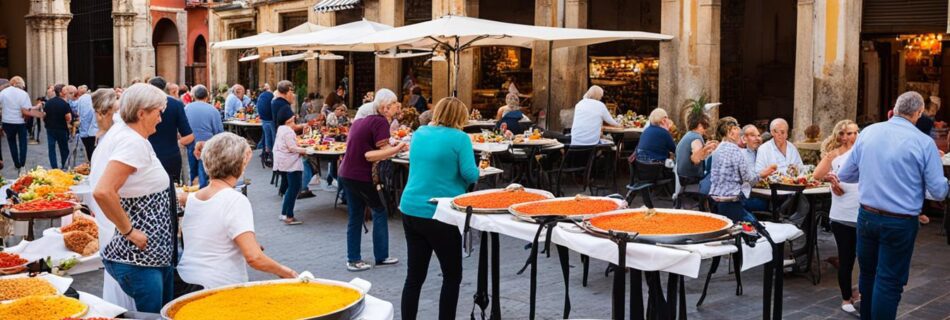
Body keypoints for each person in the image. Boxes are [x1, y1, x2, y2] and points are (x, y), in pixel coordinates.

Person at [834, 91, 949, 319]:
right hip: (899, 221)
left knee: (867, 275)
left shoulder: (868, 133)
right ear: (918, 113)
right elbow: (938, 191)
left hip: (866, 216)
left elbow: (846, 174)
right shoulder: (924, 143)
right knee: (888, 281)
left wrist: (875, 174)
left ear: (895, 108)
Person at [90, 83, 175, 313]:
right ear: (141, 113)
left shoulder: (135, 138)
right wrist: (130, 231)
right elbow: (103, 191)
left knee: (161, 312)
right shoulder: (132, 142)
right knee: (151, 316)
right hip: (139, 257)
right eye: (159, 111)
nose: (161, 118)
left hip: (152, 254)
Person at [177, 133, 298, 289]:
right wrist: (286, 272)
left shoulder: (194, 198)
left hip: (189, 280)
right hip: (219, 285)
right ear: (240, 164)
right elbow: (254, 257)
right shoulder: (235, 200)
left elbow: (212, 236)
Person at [399, 97, 477, 320]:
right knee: (452, 276)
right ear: (460, 117)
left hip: (410, 207)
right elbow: (470, 174)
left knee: (414, 277)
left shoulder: (420, 133)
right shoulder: (460, 138)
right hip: (439, 212)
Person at [339, 88, 406, 271]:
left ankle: (353, 259)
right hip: (361, 175)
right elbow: (370, 155)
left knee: (355, 215)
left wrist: (390, 147)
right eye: (394, 104)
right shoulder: (380, 122)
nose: (396, 108)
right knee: (379, 210)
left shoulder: (363, 120)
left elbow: (375, 146)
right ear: (385, 107)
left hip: (346, 173)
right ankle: (381, 256)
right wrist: (398, 148)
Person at [811, 120, 861, 314]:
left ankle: (860, 292)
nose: (852, 137)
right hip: (842, 215)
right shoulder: (834, 155)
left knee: (865, 258)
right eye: (847, 133)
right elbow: (816, 174)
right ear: (840, 135)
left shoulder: (863, 152)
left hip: (863, 212)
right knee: (846, 259)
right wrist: (830, 178)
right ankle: (846, 298)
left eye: (855, 132)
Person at [709, 120, 778, 224]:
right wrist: (764, 173)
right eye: (737, 128)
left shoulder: (717, 150)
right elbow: (748, 179)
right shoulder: (735, 150)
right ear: (730, 132)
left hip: (715, 200)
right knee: (755, 228)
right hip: (731, 202)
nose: (740, 132)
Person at [147, 77, 195, 184]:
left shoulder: (143, 105)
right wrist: (176, 143)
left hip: (148, 155)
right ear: (165, 88)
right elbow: (188, 135)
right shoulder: (176, 104)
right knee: (172, 193)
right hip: (170, 155)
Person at [274, 105, 308, 225]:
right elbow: (292, 148)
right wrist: (306, 150)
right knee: (294, 188)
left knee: (290, 188)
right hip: (291, 164)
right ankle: (289, 216)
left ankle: (284, 213)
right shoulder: (288, 131)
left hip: (284, 163)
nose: (295, 117)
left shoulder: (281, 129)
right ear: (289, 119)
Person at [184, 85, 224, 187]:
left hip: (191, 142)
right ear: (207, 96)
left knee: (192, 170)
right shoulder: (213, 110)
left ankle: (192, 191)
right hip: (207, 144)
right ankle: (202, 193)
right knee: (203, 172)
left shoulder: (187, 108)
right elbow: (219, 131)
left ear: (193, 96)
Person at [1, 77, 43, 171]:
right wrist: (38, 111)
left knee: (11, 143)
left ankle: (16, 163)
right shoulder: (23, 94)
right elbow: (27, 109)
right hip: (20, 122)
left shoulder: (3, 92)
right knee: (23, 143)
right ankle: (22, 163)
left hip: (7, 121)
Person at [676, 110, 717, 185]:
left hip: (681, 176)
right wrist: (706, 149)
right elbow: (696, 159)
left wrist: (705, 147)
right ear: (699, 125)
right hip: (690, 178)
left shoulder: (688, 135)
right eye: (705, 126)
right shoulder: (696, 137)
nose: (706, 130)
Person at [44, 84, 72, 169]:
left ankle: (54, 167)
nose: (67, 91)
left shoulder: (48, 103)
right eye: (65, 90)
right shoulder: (64, 104)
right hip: (61, 128)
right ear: (60, 93)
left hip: (50, 128)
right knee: (64, 148)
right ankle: (65, 166)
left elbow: (44, 115)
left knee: (51, 148)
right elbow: (68, 118)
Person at [76, 86, 98, 161]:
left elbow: (79, 114)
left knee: (89, 150)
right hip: (93, 130)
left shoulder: (80, 100)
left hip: (85, 131)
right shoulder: (91, 99)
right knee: (93, 151)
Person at [257, 83, 275, 164]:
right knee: (274, 139)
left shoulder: (260, 96)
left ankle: (268, 154)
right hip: (271, 119)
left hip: (264, 120)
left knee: (267, 137)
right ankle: (273, 156)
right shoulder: (271, 95)